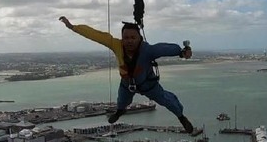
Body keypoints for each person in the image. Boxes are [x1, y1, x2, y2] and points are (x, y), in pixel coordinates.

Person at [59, 16, 194, 133]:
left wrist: (182, 52)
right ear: (122, 38)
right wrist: (73, 27)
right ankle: (120, 111)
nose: (129, 41)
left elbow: (163, 49)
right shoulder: (117, 45)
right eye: (126, 38)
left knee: (167, 100)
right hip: (127, 84)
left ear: (139, 38)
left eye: (133, 37)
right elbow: (96, 35)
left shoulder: (147, 50)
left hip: (148, 85)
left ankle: (181, 117)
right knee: (122, 101)